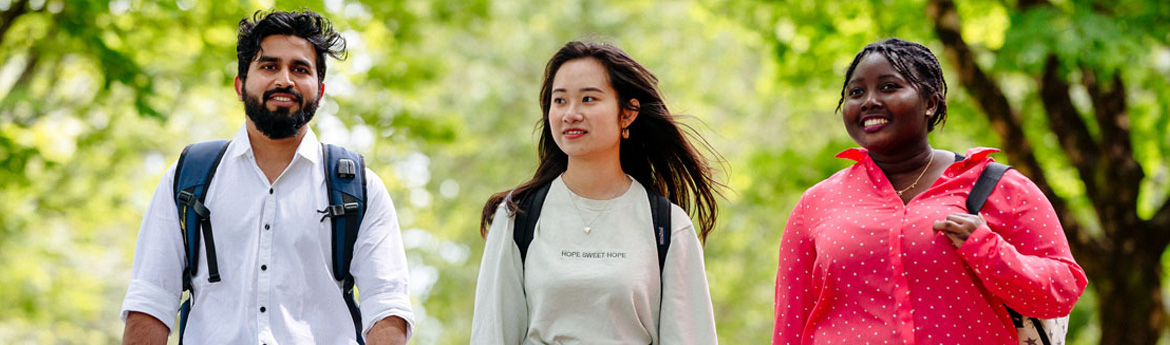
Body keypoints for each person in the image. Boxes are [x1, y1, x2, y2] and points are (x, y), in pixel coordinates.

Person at [120, 10, 412, 344]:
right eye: (269, 66)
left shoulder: (359, 188)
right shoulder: (188, 178)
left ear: (320, 88)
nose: (284, 79)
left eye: (300, 69)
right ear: (240, 85)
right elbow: (151, 300)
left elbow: (386, 306)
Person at [771, 38, 1087, 344]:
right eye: (856, 92)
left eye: (888, 87)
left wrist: (987, 249)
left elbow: (1062, 292)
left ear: (930, 103)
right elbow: (790, 324)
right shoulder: (817, 203)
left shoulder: (997, 187)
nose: (869, 100)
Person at [471, 41, 723, 344]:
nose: (571, 114)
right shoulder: (517, 216)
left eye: (588, 99)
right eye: (560, 101)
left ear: (627, 114)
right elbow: (491, 335)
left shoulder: (668, 225)